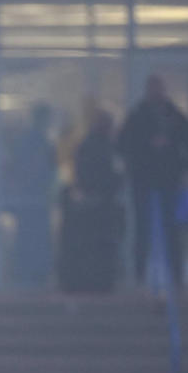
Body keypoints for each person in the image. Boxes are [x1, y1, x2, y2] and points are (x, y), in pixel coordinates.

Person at [117, 75, 188, 289]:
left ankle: (176, 277)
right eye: (152, 89)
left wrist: (183, 167)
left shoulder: (174, 117)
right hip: (144, 180)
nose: (156, 93)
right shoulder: (137, 117)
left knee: (171, 230)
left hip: (167, 180)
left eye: (158, 88)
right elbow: (122, 144)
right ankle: (139, 276)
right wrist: (144, 151)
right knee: (143, 230)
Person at [59, 108, 124, 292]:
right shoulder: (101, 148)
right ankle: (98, 282)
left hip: (97, 204)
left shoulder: (93, 146)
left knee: (96, 247)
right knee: (99, 246)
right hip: (99, 206)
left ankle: (96, 282)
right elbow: (100, 175)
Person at [5, 103, 56, 287]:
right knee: (30, 234)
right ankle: (29, 270)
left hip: (34, 196)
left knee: (32, 235)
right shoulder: (35, 141)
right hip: (31, 197)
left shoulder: (37, 140)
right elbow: (39, 167)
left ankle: (31, 270)